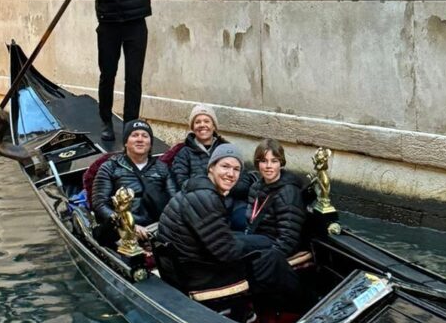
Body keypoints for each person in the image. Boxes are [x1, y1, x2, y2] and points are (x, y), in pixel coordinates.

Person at [156, 144, 299, 303]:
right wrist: (260, 247)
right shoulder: (206, 198)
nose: (231, 174)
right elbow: (227, 253)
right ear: (211, 167)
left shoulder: (197, 188)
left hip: (185, 265)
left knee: (258, 243)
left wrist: (256, 242)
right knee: (272, 258)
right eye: (225, 166)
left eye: (236, 169)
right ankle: (300, 305)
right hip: (198, 274)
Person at [72, 0, 152, 142]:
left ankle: (129, 124)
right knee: (108, 75)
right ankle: (106, 121)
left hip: (135, 24)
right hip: (108, 25)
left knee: (133, 77)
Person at [91, 119, 172, 248]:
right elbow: (99, 203)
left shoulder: (162, 168)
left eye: (145, 136)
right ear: (125, 142)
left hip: (157, 227)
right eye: (134, 135)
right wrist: (128, 226)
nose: (140, 139)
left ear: (150, 143)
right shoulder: (110, 167)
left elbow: (174, 200)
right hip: (121, 229)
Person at [238, 139, 307, 260]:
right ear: (257, 163)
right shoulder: (255, 187)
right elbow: (250, 222)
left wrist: (265, 260)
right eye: (264, 161)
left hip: (273, 248)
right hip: (257, 237)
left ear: (281, 163)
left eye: (274, 161)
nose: (268, 166)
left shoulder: (288, 192)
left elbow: (288, 240)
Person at [169, 104, 228, 191]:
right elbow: (181, 182)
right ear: (193, 128)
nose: (202, 125)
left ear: (214, 126)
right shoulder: (184, 153)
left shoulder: (226, 149)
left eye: (206, 121)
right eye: (197, 122)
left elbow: (240, 178)